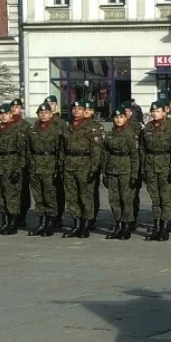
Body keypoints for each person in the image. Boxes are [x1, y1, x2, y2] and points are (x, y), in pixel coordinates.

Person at [61, 100, 103, 239]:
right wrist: (61, 165)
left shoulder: (92, 128)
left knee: (85, 196)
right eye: (74, 109)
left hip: (85, 165)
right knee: (71, 197)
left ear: (85, 111)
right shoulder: (68, 127)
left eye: (79, 108)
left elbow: (96, 150)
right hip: (69, 165)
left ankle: (86, 225)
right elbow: (62, 149)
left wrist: (94, 169)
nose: (76, 111)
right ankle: (76, 224)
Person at [141, 101, 171, 241]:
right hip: (151, 167)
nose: (154, 113)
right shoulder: (147, 128)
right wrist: (143, 169)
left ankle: (164, 228)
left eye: (158, 111)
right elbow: (142, 150)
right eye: (153, 111)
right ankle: (157, 227)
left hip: (165, 166)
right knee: (155, 199)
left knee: (166, 199)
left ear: (164, 112)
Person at [102, 106, 140, 240]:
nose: (118, 120)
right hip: (112, 170)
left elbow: (135, 156)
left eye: (121, 117)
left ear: (126, 118)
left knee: (126, 200)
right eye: (116, 117)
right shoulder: (110, 134)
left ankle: (126, 227)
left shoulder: (130, 134)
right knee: (114, 200)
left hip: (126, 170)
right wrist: (105, 174)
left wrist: (135, 174)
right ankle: (118, 224)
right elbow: (105, 154)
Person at [0, 103, 28, 234]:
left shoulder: (16, 132)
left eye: (5, 113)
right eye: (0, 114)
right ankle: (5, 222)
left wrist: (18, 169)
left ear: (11, 115)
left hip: (11, 167)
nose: (3, 116)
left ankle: (13, 224)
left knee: (11, 196)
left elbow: (23, 152)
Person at [27, 103, 63, 237]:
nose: (43, 115)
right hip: (35, 166)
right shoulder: (32, 129)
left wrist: (58, 168)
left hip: (50, 166)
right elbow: (28, 149)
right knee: (38, 197)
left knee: (50, 196)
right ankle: (41, 223)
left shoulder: (56, 130)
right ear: (37, 114)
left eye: (46, 112)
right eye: (41, 113)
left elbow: (60, 150)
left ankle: (50, 224)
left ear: (51, 114)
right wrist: (30, 164)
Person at [82, 101, 105, 230]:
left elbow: (99, 149)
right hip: (78, 164)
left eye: (88, 110)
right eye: (83, 109)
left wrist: (95, 167)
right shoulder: (75, 126)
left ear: (92, 112)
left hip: (91, 164)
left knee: (91, 193)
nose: (85, 112)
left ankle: (92, 217)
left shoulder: (97, 127)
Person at [45, 95, 67, 228]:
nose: (50, 106)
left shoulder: (61, 123)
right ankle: (48, 217)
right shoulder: (39, 123)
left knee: (58, 191)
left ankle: (58, 216)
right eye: (48, 103)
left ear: (56, 106)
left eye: (52, 103)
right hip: (42, 162)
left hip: (56, 161)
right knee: (46, 192)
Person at [10, 98, 31, 228]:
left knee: (23, 191)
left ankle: (22, 216)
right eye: (12, 106)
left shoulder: (26, 126)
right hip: (8, 162)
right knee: (11, 191)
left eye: (17, 107)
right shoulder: (6, 123)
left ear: (21, 109)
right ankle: (13, 216)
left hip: (22, 162)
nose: (14, 109)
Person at [128, 103, 145, 231]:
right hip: (121, 164)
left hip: (136, 164)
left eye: (130, 112)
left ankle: (133, 218)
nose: (128, 114)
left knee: (133, 194)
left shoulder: (140, 129)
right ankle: (124, 220)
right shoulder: (118, 126)